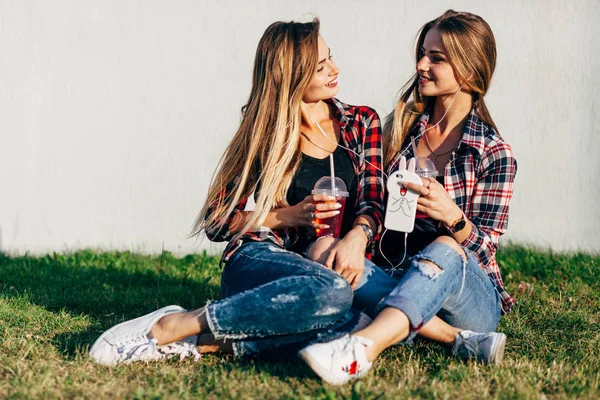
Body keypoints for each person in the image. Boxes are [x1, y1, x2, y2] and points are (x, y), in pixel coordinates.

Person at [88, 18, 386, 366]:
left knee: (355, 322)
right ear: (292, 75)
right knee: (334, 294)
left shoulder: (362, 121)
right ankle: (177, 323)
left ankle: (207, 342)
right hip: (264, 257)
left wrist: (357, 235)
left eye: (331, 58)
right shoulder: (263, 132)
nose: (335, 70)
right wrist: (287, 215)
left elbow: (374, 199)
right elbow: (217, 221)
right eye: (320, 67)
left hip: (330, 263)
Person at [299, 10, 518, 385]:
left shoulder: (494, 153)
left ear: (468, 70)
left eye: (436, 58)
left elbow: (484, 253)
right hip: (398, 274)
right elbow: (373, 210)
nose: (421, 65)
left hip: (467, 297)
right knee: (323, 250)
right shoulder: (399, 131)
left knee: (447, 247)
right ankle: (455, 342)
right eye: (423, 53)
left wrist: (453, 216)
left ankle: (361, 347)